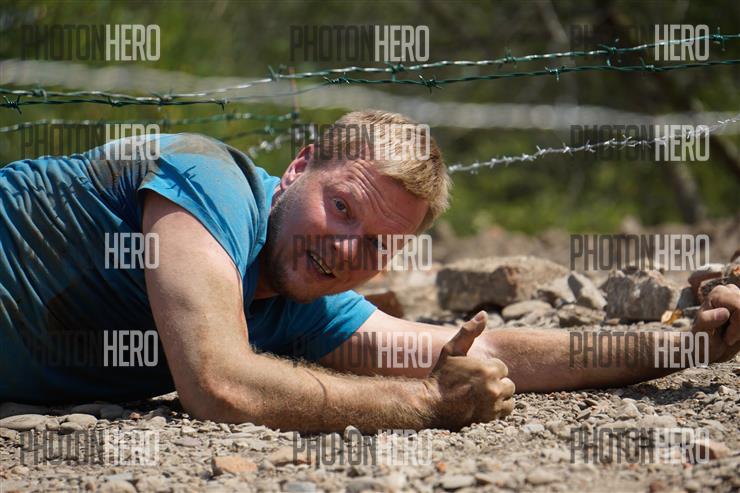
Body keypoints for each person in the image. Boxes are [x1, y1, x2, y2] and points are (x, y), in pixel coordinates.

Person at [0, 110, 737, 433]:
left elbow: (492, 350)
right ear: (297, 169)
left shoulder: (304, 303)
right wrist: (426, 405)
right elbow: (217, 382)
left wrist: (683, 340)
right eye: (343, 207)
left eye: (379, 244)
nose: (348, 249)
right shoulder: (209, 180)